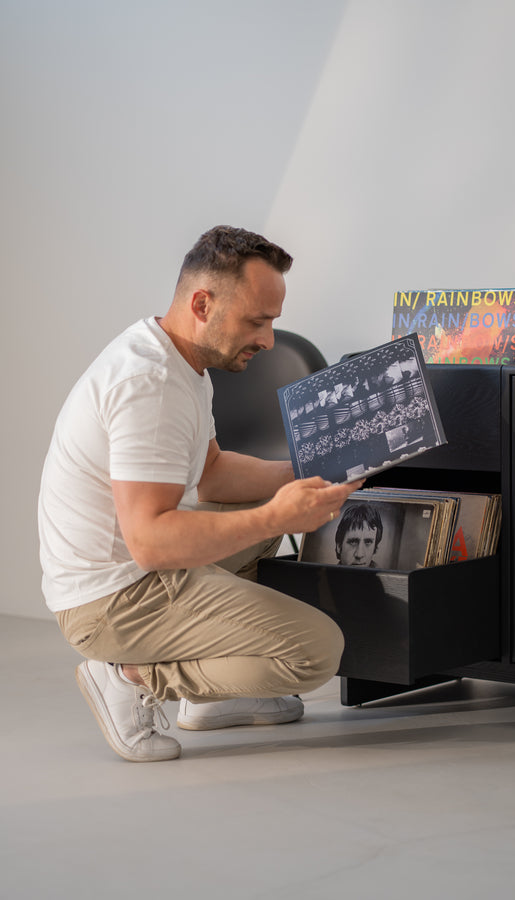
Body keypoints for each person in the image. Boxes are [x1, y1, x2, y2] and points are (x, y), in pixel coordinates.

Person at [38, 225, 361, 762]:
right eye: (257, 321)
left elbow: (211, 473)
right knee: (315, 652)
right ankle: (130, 675)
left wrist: (306, 474)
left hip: (132, 574)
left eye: (272, 322)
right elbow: (152, 542)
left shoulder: (181, 360)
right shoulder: (150, 384)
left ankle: (213, 700)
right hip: (113, 600)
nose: (268, 341)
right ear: (203, 303)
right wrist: (277, 516)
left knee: (261, 512)